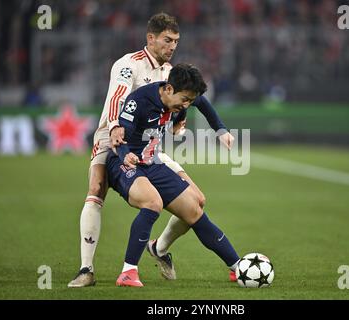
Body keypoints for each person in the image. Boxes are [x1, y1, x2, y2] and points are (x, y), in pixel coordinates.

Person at [68, 13, 235, 288]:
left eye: (176, 41)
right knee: (97, 188)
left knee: (197, 200)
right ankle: (86, 269)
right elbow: (116, 100)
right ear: (151, 38)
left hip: (149, 146)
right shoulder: (127, 65)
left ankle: (159, 248)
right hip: (112, 136)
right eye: (167, 40)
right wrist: (114, 129)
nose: (172, 46)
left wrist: (217, 128)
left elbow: (194, 100)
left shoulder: (170, 72)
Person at [106, 63, 240, 287]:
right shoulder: (138, 101)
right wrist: (125, 154)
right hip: (122, 162)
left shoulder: (180, 94)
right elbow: (118, 138)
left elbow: (203, 103)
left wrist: (221, 130)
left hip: (152, 163)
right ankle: (128, 272)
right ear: (168, 89)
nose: (187, 105)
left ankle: (237, 267)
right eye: (185, 100)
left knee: (194, 208)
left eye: (190, 100)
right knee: (152, 202)